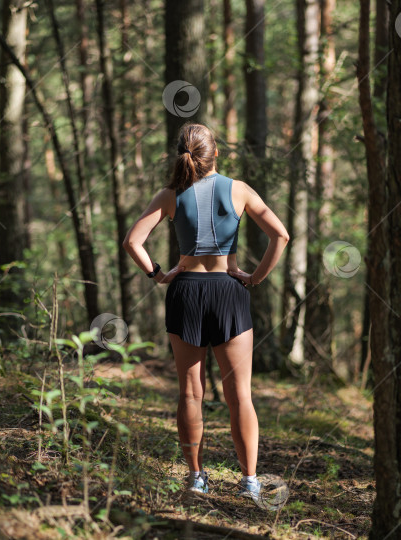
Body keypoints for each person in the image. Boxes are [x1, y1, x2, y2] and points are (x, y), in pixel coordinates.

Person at [122, 123, 289, 499]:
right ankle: (249, 482)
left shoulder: (170, 195)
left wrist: (159, 275)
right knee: (240, 395)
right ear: (217, 154)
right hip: (229, 292)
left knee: (189, 394)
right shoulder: (240, 190)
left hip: (186, 293)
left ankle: (197, 477)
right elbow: (281, 235)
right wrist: (255, 277)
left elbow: (133, 241)